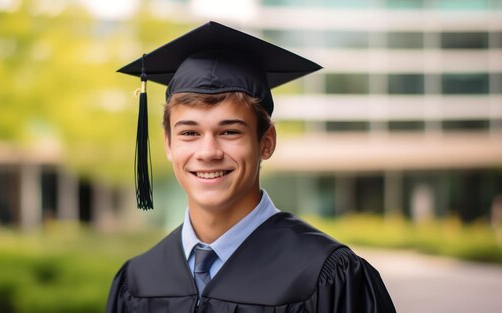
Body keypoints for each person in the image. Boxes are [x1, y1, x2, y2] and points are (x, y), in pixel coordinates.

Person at [107, 21, 396, 313]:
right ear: (168, 144)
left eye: (229, 132)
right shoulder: (137, 282)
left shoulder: (326, 276)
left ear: (266, 142)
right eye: (190, 133)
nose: (208, 152)